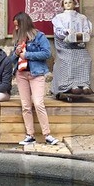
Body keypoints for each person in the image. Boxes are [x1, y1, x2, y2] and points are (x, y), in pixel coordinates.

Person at [11, 12, 60, 147]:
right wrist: (16, 53)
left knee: (38, 103)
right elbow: (11, 59)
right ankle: (30, 135)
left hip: (36, 74)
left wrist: (26, 54)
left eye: (17, 26)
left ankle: (47, 135)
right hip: (21, 75)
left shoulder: (39, 36)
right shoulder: (18, 39)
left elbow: (46, 53)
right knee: (26, 106)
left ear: (24, 24)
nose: (16, 29)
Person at [50, 0, 93, 98]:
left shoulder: (82, 17)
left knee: (86, 59)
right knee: (68, 60)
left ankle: (84, 84)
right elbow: (58, 31)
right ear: (63, 5)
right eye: (66, 3)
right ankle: (71, 85)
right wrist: (66, 32)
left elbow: (87, 29)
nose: (68, 4)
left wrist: (82, 34)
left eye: (70, 2)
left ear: (74, 4)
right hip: (65, 47)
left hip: (79, 46)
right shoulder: (59, 18)